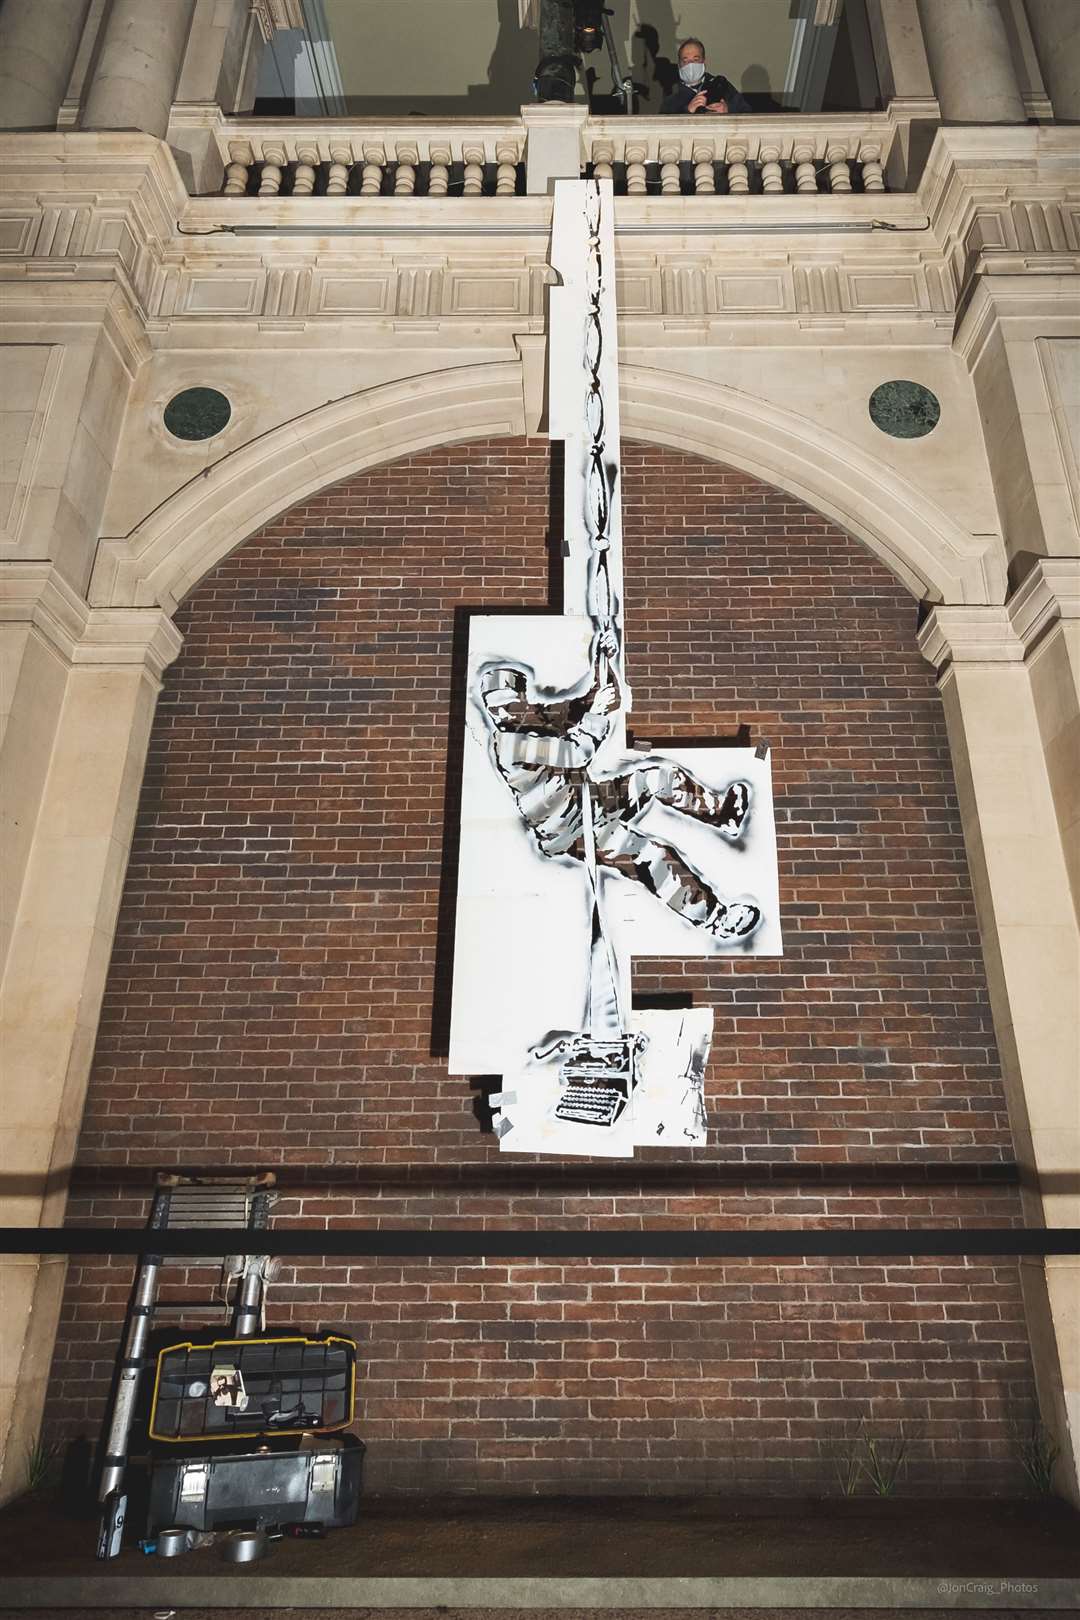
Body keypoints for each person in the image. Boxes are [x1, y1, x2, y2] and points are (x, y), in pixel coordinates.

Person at [477, 631, 761, 942]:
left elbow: (601, 696)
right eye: (499, 707)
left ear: (523, 699)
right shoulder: (509, 744)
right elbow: (578, 752)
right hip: (572, 829)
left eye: (511, 703)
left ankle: (721, 814)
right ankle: (715, 919)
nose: (506, 712)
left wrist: (602, 659)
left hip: (589, 800)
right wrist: (595, 712)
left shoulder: (538, 719)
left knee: (658, 777)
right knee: (649, 856)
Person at [660, 36, 751, 116]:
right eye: (686, 61)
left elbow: (747, 113)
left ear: (704, 62)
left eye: (696, 59)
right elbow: (661, 125)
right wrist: (687, 111)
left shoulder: (721, 85)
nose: (691, 65)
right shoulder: (671, 91)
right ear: (679, 65)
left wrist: (728, 111)